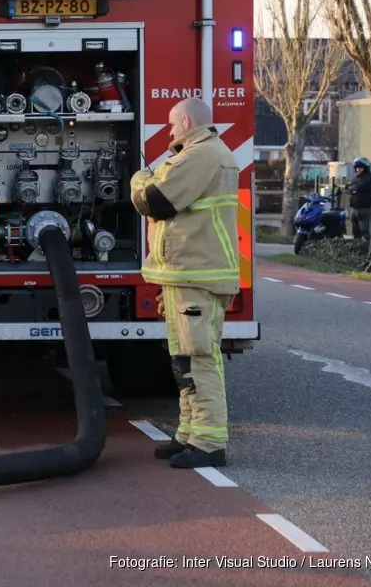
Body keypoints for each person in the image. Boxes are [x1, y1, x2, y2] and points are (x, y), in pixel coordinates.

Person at [128, 97, 239, 469]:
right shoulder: (199, 155)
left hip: (197, 274)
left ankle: (209, 443)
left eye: (173, 124)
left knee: (199, 358)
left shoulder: (201, 155)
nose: (170, 131)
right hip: (186, 273)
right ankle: (190, 433)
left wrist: (139, 179)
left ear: (188, 122)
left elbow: (154, 201)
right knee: (184, 360)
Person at [346, 156, 371, 240]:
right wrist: (351, 188)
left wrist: (351, 188)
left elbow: (358, 187)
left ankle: (367, 245)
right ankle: (358, 245)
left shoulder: (368, 178)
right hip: (355, 208)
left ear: (365, 168)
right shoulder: (357, 178)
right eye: (357, 168)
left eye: (360, 167)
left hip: (364, 208)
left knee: (364, 231)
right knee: (355, 231)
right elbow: (349, 187)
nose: (358, 169)